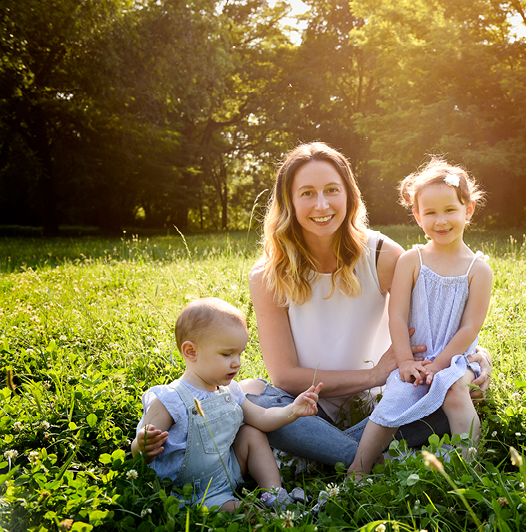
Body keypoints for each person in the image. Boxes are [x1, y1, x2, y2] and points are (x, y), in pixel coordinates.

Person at [240, 142, 493, 467]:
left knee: (448, 397)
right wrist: (372, 374)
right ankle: (372, 460)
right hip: (305, 405)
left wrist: (479, 356)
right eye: (306, 193)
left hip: (385, 403)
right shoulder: (267, 274)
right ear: (288, 200)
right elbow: (285, 376)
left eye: (332, 190)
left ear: (349, 195)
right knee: (250, 398)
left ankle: (337, 454)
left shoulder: (381, 255)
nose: (321, 204)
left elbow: (438, 317)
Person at [348, 158, 491, 477]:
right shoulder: (412, 260)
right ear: (417, 216)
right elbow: (396, 316)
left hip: (457, 358)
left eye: (449, 210)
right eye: (430, 213)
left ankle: (467, 467)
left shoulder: (478, 270)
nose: (440, 220)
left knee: (454, 391)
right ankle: (358, 469)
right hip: (416, 355)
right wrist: (405, 362)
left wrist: (440, 365)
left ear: (467, 210)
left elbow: (471, 326)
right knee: (394, 398)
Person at [131, 297, 322, 512]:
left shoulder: (230, 391)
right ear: (191, 352)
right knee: (247, 512)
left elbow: (262, 419)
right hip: (191, 492)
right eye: (227, 354)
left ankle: (274, 494)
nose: (237, 363)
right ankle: (259, 512)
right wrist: (143, 445)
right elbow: (138, 452)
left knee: (252, 433)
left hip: (227, 471)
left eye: (239, 353)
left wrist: (293, 409)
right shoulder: (170, 400)